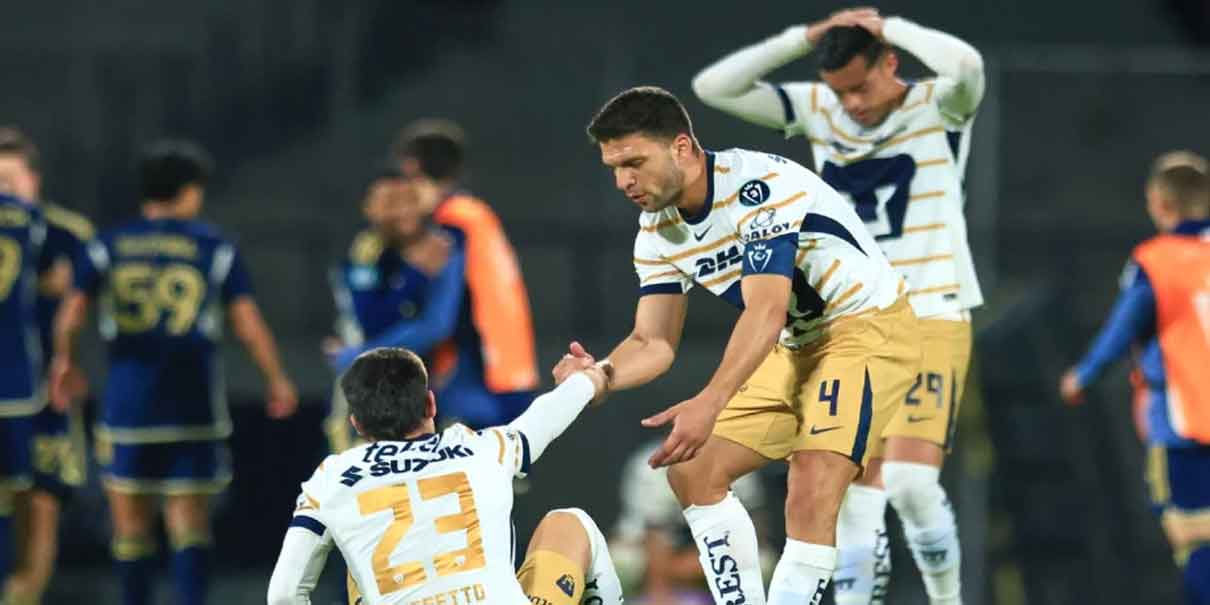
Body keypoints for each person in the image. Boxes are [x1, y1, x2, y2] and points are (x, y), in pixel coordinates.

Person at [563, 86, 919, 605]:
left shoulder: (757, 187)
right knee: (690, 468)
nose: (623, 181)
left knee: (813, 480)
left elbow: (766, 311)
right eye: (614, 168)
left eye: (634, 162)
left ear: (682, 147)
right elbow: (653, 341)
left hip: (865, 328)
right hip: (799, 344)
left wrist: (709, 402)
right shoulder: (657, 230)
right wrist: (599, 377)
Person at [692, 9, 985, 602]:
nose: (851, 103)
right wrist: (805, 38)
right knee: (851, 488)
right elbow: (712, 88)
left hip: (931, 309)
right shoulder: (820, 108)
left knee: (908, 483)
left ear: (891, 63)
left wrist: (889, 24)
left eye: (862, 86)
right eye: (839, 91)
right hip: (852, 318)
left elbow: (969, 64)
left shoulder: (941, 105)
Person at [49, 139, 299, 605]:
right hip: (193, 405)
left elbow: (72, 313)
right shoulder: (212, 246)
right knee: (189, 522)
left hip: (127, 406)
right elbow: (246, 323)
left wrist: (65, 362)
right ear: (189, 191)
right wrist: (276, 378)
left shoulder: (109, 245)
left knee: (130, 526)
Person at [266, 347, 624, 605]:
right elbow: (552, 410)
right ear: (431, 404)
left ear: (356, 424)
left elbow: (284, 593)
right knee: (570, 524)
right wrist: (589, 377)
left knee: (359, 569)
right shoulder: (483, 448)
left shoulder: (331, 477)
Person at [1060, 151, 1210, 605]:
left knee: (1194, 540)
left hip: (1185, 428)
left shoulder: (1157, 262)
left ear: (1159, 204)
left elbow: (1122, 329)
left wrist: (1082, 376)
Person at [391, 119, 538, 424]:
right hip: (511, 367)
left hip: (476, 375)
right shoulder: (475, 213)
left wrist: (362, 353)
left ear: (411, 166)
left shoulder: (452, 222)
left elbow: (442, 317)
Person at [0, 126, 93, 605]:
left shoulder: (68, 233)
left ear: (33, 179)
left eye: (9, 181)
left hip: (45, 398)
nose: (3, 193)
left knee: (41, 500)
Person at [326, 168, 467, 449]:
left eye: (408, 199)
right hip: (371, 385)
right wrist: (415, 274)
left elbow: (437, 325)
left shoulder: (447, 244)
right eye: (390, 202)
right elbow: (371, 318)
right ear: (369, 208)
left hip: (442, 387)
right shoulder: (364, 251)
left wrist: (356, 354)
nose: (402, 210)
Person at [0, 189, 50, 601]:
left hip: (17, 384)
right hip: (15, 384)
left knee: (19, 493)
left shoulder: (31, 218)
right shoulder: (28, 218)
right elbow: (56, 279)